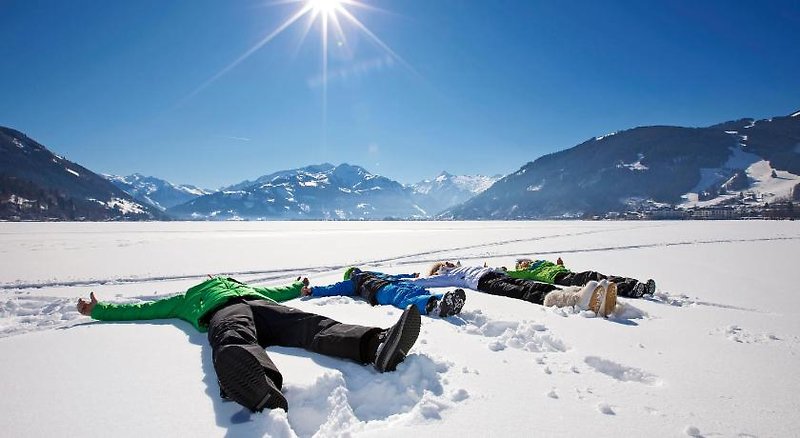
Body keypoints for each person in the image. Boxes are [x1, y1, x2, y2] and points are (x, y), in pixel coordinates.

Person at [76, 275, 421, 413]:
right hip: (224, 313)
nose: (213, 279)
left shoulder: (242, 284)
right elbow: (145, 308)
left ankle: (375, 346)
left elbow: (277, 292)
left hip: (261, 306)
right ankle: (259, 387)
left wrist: (297, 286)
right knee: (232, 339)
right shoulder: (186, 298)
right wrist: (100, 309)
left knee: (309, 323)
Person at [410, 261, 617, 317]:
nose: (446, 263)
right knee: (526, 292)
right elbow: (428, 283)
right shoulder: (446, 275)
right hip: (486, 284)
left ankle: (581, 294)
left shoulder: (461, 267)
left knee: (536, 285)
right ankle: (573, 301)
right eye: (442, 264)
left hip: (497, 275)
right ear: (439, 270)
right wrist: (414, 281)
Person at [303, 267, 467, 317]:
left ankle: (446, 300)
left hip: (387, 287)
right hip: (383, 289)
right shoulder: (355, 282)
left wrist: (410, 275)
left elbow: (393, 275)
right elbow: (334, 288)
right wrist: (313, 291)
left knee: (413, 292)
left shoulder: (360, 279)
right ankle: (435, 305)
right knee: (404, 297)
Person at [507, 257, 656, 298]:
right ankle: (630, 289)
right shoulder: (527, 273)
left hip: (568, 275)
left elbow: (560, 268)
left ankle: (637, 285)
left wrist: (560, 264)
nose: (523, 264)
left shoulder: (543, 263)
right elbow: (511, 274)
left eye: (525, 261)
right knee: (595, 279)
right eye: (521, 264)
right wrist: (501, 270)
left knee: (600, 277)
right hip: (562, 279)